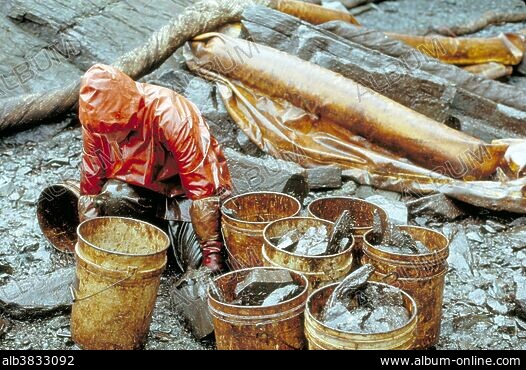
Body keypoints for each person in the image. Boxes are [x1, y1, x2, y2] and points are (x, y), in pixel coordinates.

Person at [77, 64, 232, 273]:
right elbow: (91, 184)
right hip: (144, 194)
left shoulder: (170, 113)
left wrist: (211, 251)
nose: (110, 139)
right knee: (112, 197)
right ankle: (145, 252)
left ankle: (181, 250)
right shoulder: (96, 126)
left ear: (129, 109)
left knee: (199, 269)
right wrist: (90, 245)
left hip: (186, 198)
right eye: (103, 133)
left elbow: (202, 186)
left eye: (114, 130)